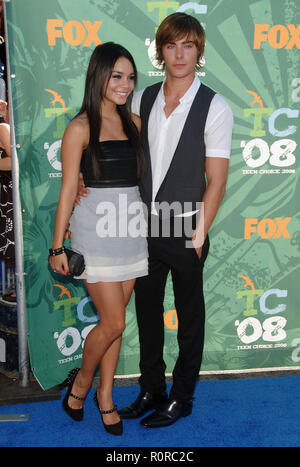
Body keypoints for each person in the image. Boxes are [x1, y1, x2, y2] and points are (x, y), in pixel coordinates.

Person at [78, 12, 233, 429]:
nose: (179, 54)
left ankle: (182, 396)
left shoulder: (214, 106)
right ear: (160, 50)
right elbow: (106, 141)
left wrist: (200, 232)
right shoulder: (141, 98)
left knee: (188, 316)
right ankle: (152, 389)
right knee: (146, 313)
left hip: (185, 228)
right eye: (171, 45)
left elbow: (216, 180)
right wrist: (80, 176)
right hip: (141, 226)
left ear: (198, 52)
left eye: (188, 46)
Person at [49, 42, 148, 436]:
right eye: (116, 76)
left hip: (131, 231)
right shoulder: (79, 127)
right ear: (98, 76)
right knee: (114, 321)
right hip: (94, 233)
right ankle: (82, 383)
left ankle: (105, 397)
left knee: (117, 326)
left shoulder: (136, 124)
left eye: (130, 77)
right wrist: (58, 246)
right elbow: (68, 189)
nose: (124, 85)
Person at [0, 99, 16, 306]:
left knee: (11, 240)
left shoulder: (2, 127)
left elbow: (16, 160)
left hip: (9, 197)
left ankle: (19, 288)